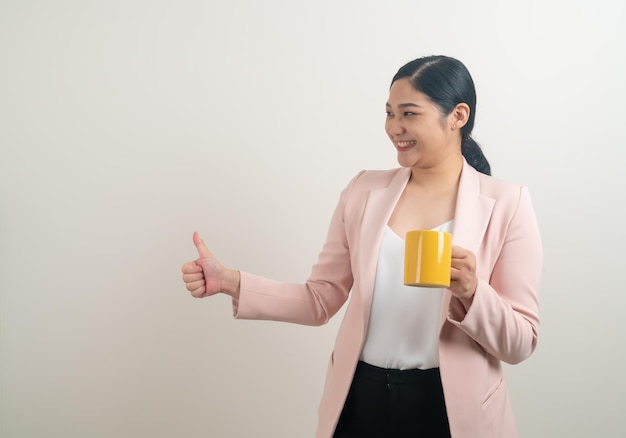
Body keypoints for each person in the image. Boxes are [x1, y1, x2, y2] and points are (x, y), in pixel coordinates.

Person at [181, 55, 542, 438]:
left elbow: (521, 342)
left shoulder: (507, 203)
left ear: (457, 116)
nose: (394, 128)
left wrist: (473, 294)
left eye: (409, 114)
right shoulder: (363, 191)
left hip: (452, 409)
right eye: (389, 113)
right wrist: (231, 282)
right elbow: (320, 299)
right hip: (360, 399)